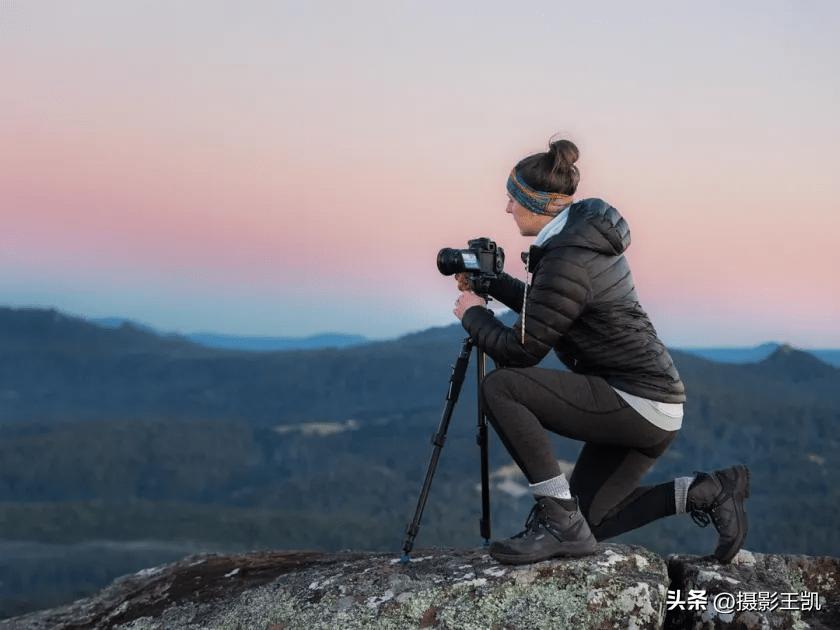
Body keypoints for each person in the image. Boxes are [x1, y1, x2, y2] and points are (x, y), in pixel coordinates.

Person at [452, 136, 750, 566]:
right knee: (593, 520)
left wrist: (472, 315)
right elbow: (551, 309)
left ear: (536, 203)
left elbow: (521, 351)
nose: (506, 209)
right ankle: (709, 492)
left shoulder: (567, 256)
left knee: (503, 388)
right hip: (654, 405)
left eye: (511, 198)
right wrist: (493, 285)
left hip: (636, 401)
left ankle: (557, 520)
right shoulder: (578, 243)